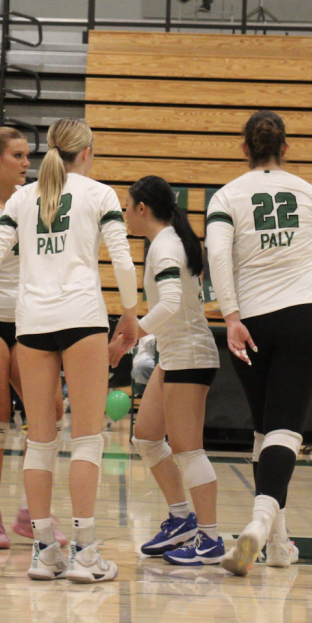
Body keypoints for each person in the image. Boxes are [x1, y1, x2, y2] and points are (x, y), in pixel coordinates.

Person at [0, 118, 140, 584]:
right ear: (87, 151)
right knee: (87, 439)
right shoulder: (99, 194)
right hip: (81, 320)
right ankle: (85, 552)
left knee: (39, 441)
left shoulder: (21, 197)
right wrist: (132, 315)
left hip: (31, 325)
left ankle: (42, 551)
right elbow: (122, 259)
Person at [205, 109, 312, 577]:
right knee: (283, 429)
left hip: (252, 320)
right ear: (286, 147)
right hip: (305, 313)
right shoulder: (311, 193)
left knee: (265, 428)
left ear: (244, 148)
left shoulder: (227, 195)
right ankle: (263, 526)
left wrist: (232, 316)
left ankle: (278, 543)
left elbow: (218, 256)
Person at [0, 126, 68, 549]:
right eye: (19, 156)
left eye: (29, 155)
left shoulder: (35, 202)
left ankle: (31, 512)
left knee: (50, 415)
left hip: (30, 321)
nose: (29, 163)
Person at [125, 176, 223, 565]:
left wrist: (131, 333)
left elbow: (168, 304)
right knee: (147, 437)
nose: (125, 215)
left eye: (127, 207)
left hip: (191, 356)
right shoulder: (167, 243)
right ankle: (182, 518)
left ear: (142, 209)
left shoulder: (165, 246)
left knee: (188, 450)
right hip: (174, 355)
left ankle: (211, 539)